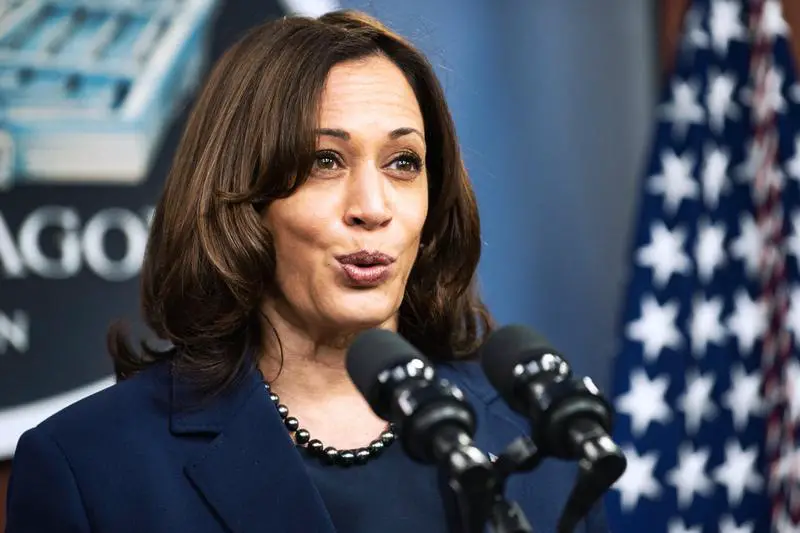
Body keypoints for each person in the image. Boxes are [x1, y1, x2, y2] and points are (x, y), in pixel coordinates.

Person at [5, 10, 609, 533]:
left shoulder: (539, 444)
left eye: (403, 162)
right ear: (241, 197)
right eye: (325, 160)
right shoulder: (89, 466)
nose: (372, 207)